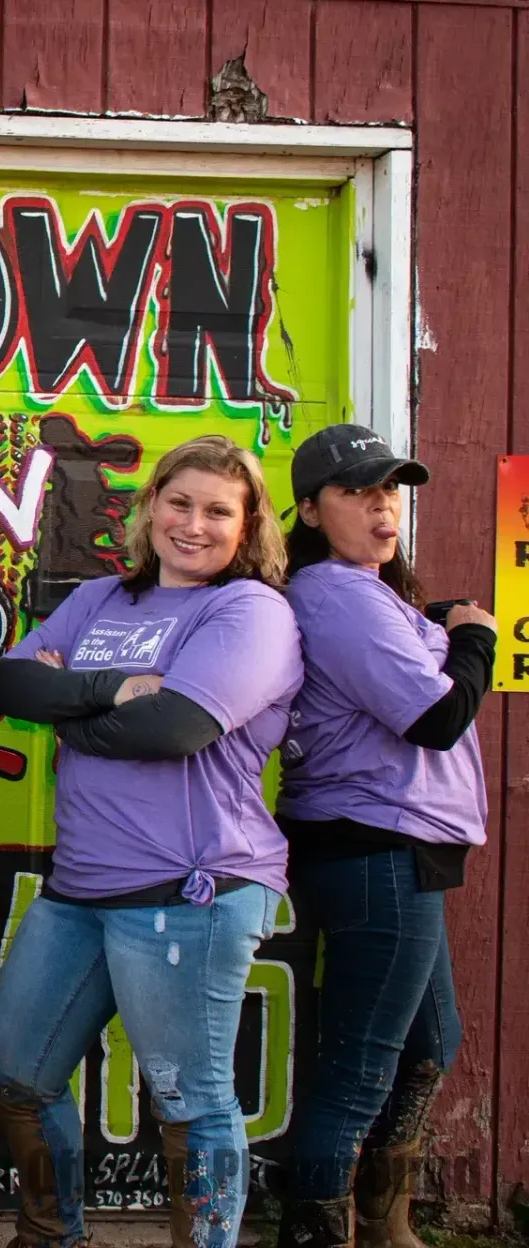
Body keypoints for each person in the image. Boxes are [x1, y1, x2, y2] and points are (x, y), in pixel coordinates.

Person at [0, 434, 303, 1248]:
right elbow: (13, 684)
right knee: (20, 1066)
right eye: (180, 502)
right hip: (82, 886)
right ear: (151, 506)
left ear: (249, 526)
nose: (193, 525)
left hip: (188, 890)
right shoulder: (101, 599)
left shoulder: (250, 611)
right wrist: (111, 691)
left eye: (218, 512)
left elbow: (177, 727)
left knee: (190, 1096)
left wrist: (72, 712)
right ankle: (52, 1234)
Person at [270, 425, 494, 1248]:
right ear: (309, 509)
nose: (381, 504)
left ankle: (386, 1220)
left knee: (432, 1043)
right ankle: (317, 1231)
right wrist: (475, 638)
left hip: (402, 848)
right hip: (376, 849)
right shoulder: (336, 592)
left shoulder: (367, 593)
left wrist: (437, 620)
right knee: (361, 1068)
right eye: (358, 491)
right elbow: (435, 717)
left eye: (391, 490)